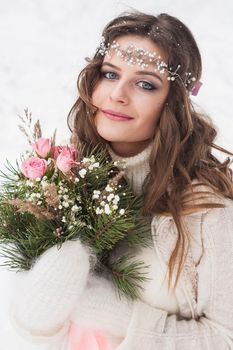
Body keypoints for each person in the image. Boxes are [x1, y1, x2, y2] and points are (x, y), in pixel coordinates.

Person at [9, 10, 233, 350]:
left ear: (173, 102)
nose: (118, 94)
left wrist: (117, 316)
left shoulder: (206, 208)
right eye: (110, 74)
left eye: (145, 84)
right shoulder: (60, 181)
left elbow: (225, 337)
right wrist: (40, 309)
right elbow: (33, 328)